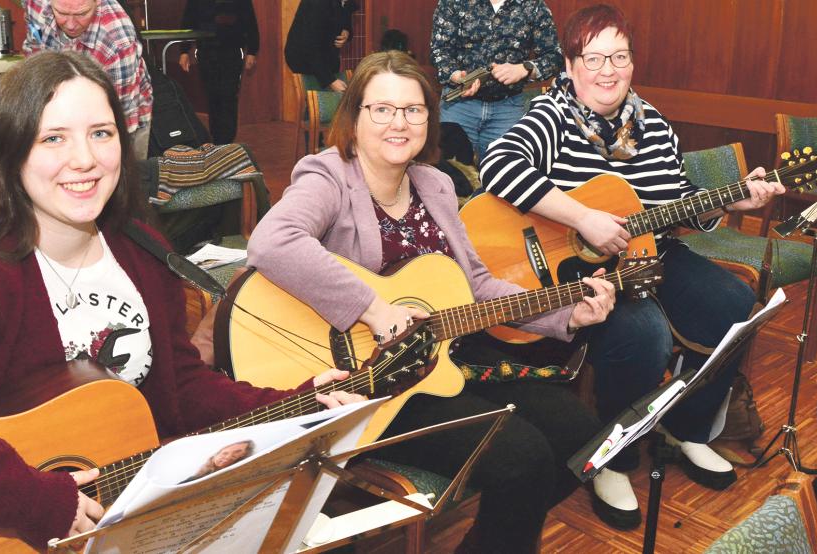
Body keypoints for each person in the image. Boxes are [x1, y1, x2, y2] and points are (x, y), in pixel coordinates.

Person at [0, 52, 362, 549]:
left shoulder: (139, 248)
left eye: (101, 133)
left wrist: (292, 404)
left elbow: (180, 389)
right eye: (53, 138)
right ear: (10, 150)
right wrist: (35, 501)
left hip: (123, 516)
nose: (85, 159)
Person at [247, 50, 618, 553]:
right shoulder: (328, 176)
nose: (399, 122)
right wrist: (376, 310)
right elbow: (272, 242)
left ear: (429, 117)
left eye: (413, 109)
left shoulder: (436, 184)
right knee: (523, 456)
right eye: (382, 109)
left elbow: (478, 286)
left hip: (449, 355)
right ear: (354, 118)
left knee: (585, 438)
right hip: (375, 379)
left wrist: (565, 311)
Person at [479, 3, 785, 530]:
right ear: (571, 65)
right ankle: (611, 459)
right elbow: (497, 166)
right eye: (594, 57)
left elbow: (677, 198)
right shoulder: (550, 116)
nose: (607, 70)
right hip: (584, 272)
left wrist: (731, 202)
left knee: (733, 303)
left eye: (618, 56)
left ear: (633, 63)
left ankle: (685, 428)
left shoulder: (653, 123)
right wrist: (584, 219)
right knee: (643, 334)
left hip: (652, 251)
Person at [430, 0, 563, 161]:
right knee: (448, 172)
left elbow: (554, 56)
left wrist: (524, 68)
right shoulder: (453, 3)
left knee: (505, 174)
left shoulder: (533, 6)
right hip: (459, 105)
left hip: (508, 107)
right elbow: (439, 50)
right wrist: (457, 76)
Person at [23, 0, 153, 160]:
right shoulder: (35, 3)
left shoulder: (118, 42)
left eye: (81, 14)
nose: (70, 25)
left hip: (123, 116)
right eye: (62, 13)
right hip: (57, 108)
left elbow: (119, 117)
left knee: (122, 173)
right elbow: (33, 48)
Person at [179, 0, 259, 144]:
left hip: (231, 51)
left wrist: (252, 51)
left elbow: (249, 20)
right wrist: (184, 51)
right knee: (212, 95)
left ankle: (227, 139)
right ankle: (217, 137)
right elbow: (188, 20)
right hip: (206, 52)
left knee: (228, 95)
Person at [284, 0, 359, 92]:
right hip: (304, 61)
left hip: (326, 59)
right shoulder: (317, 3)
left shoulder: (347, 2)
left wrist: (347, 32)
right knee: (317, 103)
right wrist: (330, 80)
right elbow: (309, 44)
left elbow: (345, 21)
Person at [184, 440, 255, 482]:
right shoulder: (193, 479)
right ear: (216, 455)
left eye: (234, 455)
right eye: (225, 453)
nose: (228, 457)